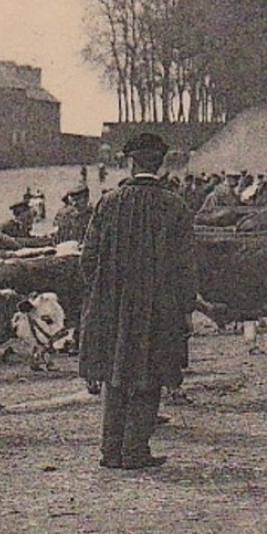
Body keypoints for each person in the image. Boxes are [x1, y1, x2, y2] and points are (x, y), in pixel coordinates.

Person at [79, 133, 196, 471]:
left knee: (115, 377)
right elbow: (185, 267)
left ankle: (110, 451)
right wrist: (183, 307)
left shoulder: (109, 202)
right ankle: (134, 451)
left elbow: (88, 260)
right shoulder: (175, 206)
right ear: (160, 165)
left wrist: (102, 294)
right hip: (158, 309)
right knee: (150, 375)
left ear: (131, 162)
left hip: (112, 308)